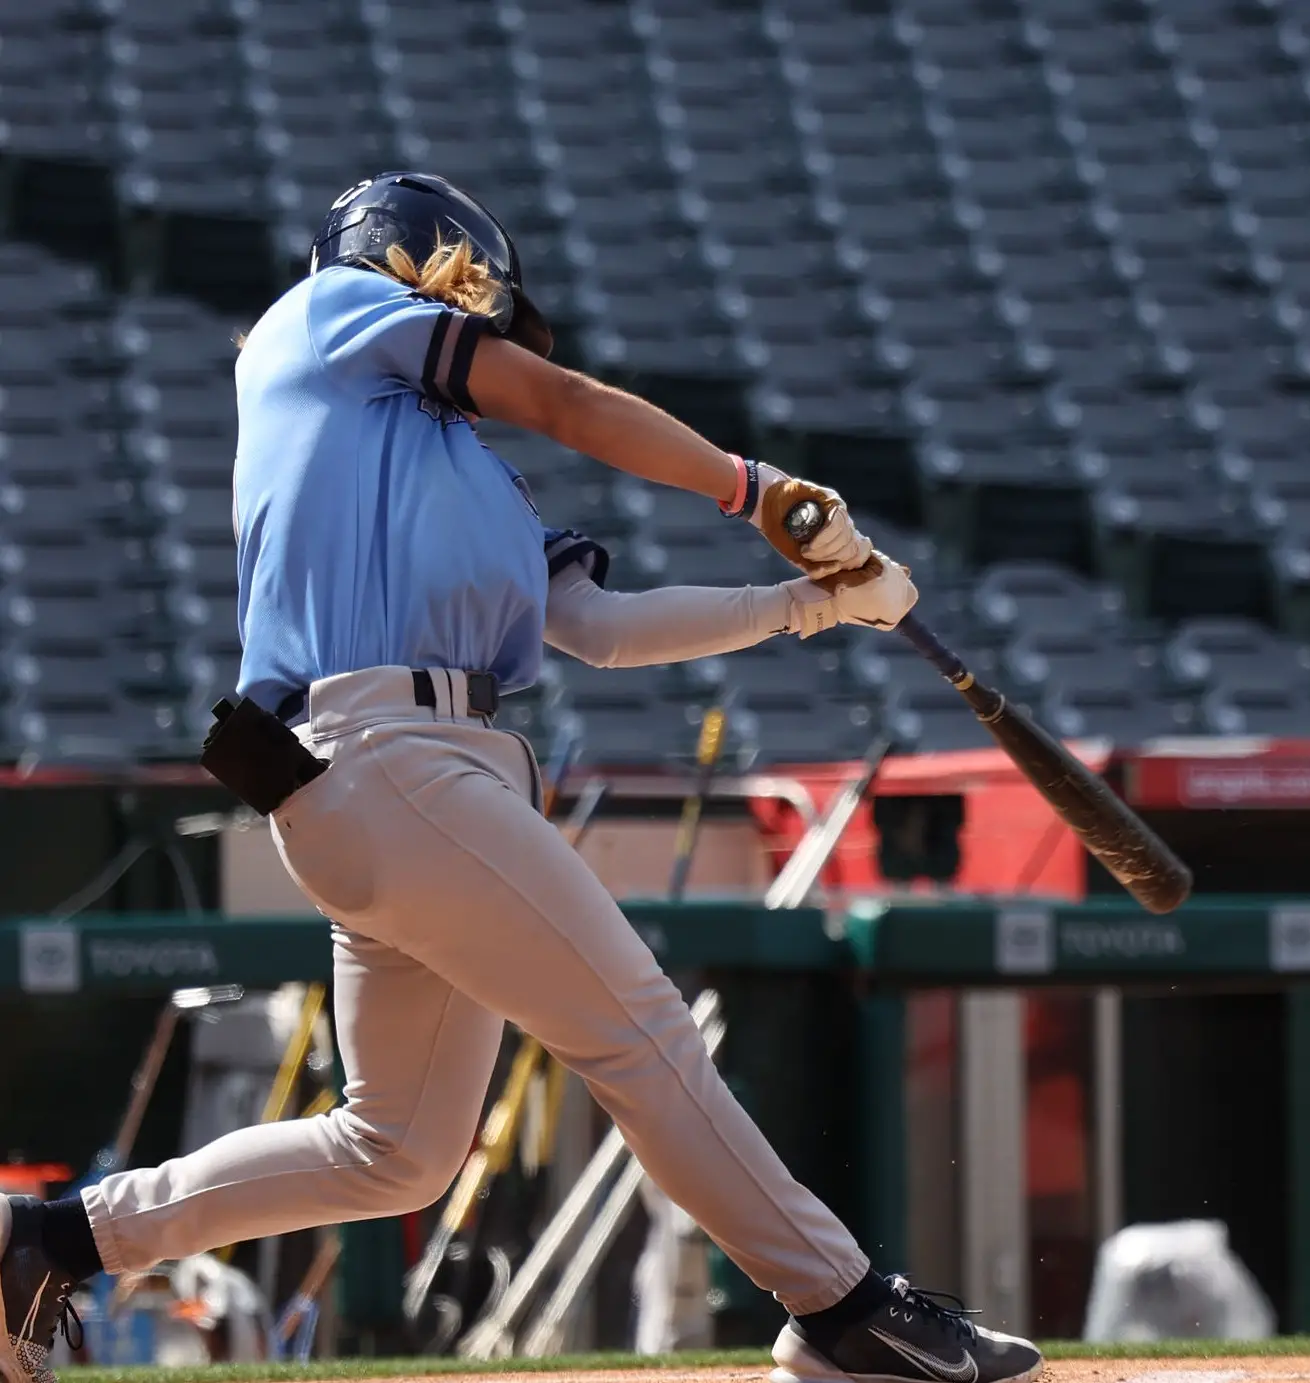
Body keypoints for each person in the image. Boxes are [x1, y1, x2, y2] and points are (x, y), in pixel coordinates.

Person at [0, 172, 1043, 1383]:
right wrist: (753, 489)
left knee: (394, 1150)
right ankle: (841, 1307)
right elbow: (561, 397)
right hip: (387, 754)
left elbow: (599, 628)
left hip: (405, 780)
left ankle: (50, 1240)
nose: (486, 316)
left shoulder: (453, 466)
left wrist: (809, 606)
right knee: (643, 1034)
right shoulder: (326, 312)